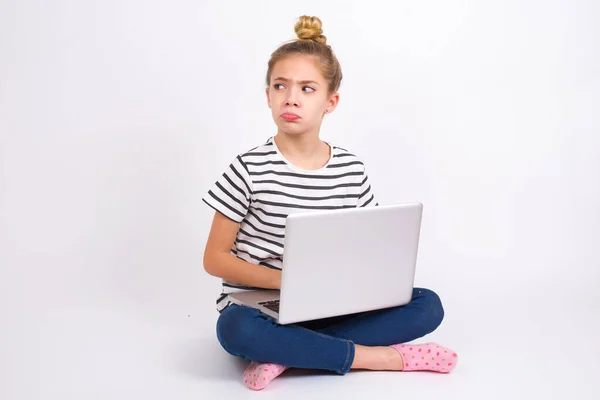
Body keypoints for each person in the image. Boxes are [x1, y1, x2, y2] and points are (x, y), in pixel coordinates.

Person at [202, 15, 457, 391]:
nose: (291, 97)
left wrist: (356, 284)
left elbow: (369, 246)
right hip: (263, 307)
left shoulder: (351, 169)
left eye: (307, 88)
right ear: (268, 95)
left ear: (330, 101)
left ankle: (288, 355)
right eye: (280, 86)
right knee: (235, 330)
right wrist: (289, 283)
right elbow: (215, 259)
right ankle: (376, 358)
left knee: (427, 304)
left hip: (331, 305)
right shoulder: (248, 168)